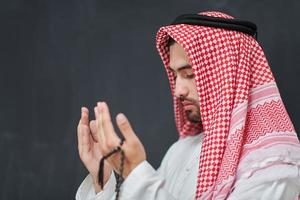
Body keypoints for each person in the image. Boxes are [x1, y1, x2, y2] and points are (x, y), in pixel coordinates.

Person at [75, 11, 300, 200]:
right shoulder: (181, 151)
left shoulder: (274, 169)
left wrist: (136, 173)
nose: (178, 90)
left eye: (191, 74)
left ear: (230, 76)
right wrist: (102, 177)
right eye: (175, 75)